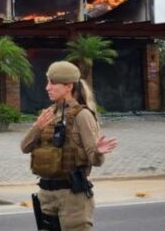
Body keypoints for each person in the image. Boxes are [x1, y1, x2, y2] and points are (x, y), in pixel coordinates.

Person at [20, 60, 118, 230]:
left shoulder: (83, 115)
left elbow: (95, 160)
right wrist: (37, 127)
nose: (47, 87)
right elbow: (25, 147)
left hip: (72, 197)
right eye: (48, 82)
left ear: (68, 86)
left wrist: (98, 151)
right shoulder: (49, 114)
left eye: (53, 83)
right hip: (46, 195)